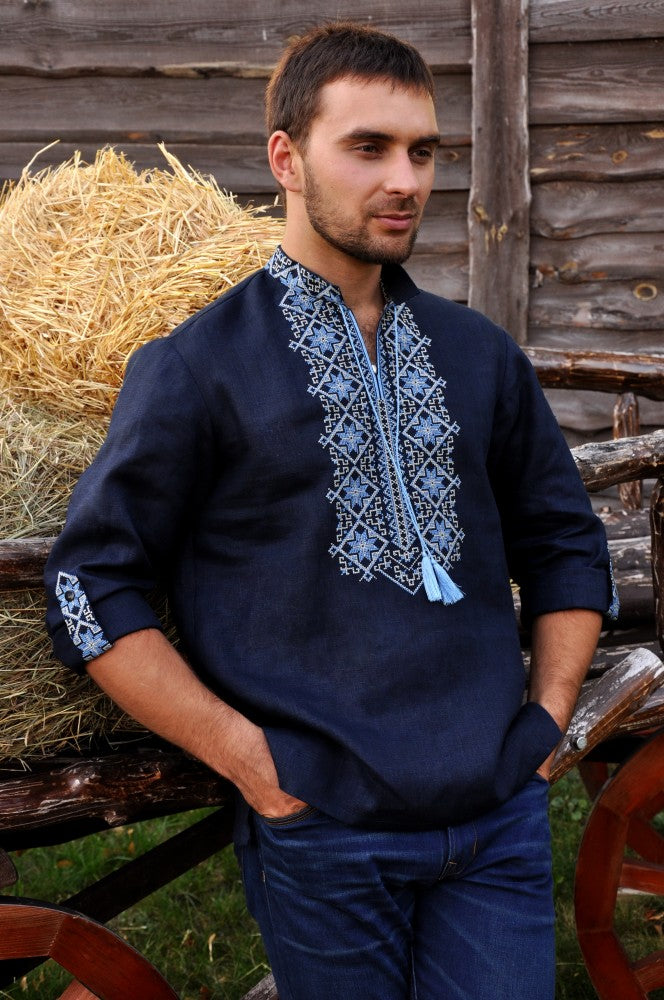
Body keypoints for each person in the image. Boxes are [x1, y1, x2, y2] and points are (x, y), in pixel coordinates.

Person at [45, 21, 617, 1000]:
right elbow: (89, 585)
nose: (404, 180)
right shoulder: (196, 369)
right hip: (324, 832)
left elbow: (565, 540)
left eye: (422, 151)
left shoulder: (478, 354)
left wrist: (547, 723)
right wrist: (251, 762)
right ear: (286, 159)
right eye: (368, 147)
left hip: (497, 820)